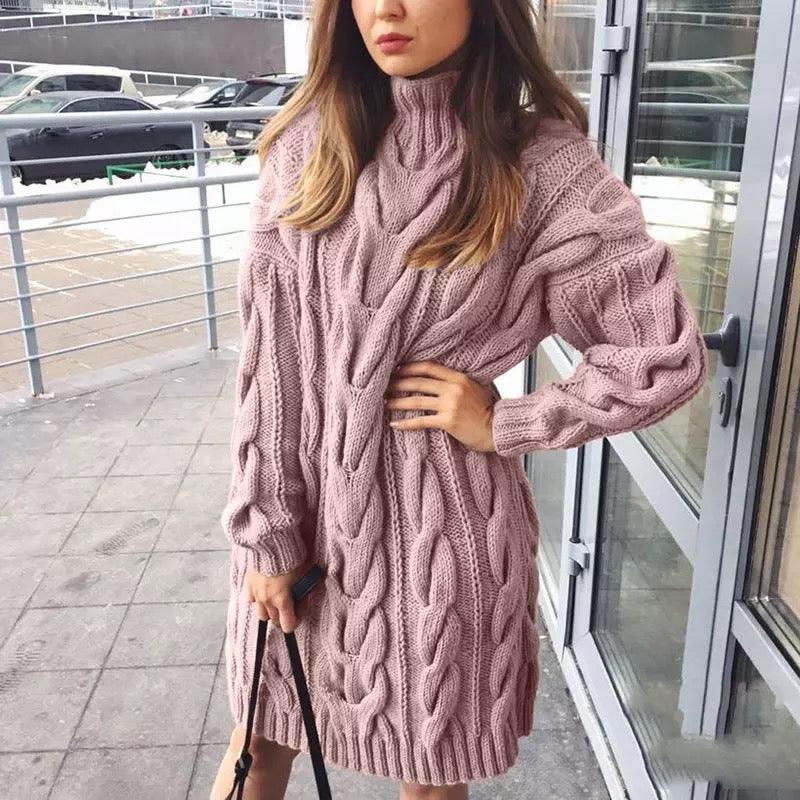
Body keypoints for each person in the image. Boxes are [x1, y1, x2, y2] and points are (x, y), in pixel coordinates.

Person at [210, 1, 709, 799]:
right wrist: (266, 530)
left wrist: (508, 420)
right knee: (258, 746)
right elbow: (274, 366)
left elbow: (659, 355)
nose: (386, 9)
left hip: (440, 543)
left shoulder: (544, 167)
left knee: (431, 776)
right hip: (301, 529)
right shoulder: (308, 145)